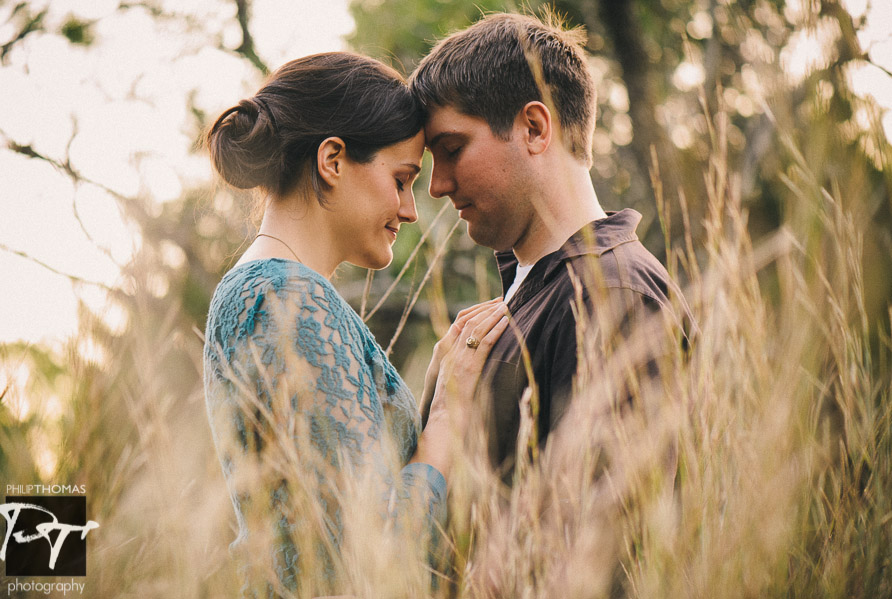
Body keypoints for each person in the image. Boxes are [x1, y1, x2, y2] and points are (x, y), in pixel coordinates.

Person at [202, 52, 507, 597]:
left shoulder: (271, 291)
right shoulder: (287, 298)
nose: (410, 209)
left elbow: (332, 503)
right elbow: (376, 548)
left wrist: (431, 387)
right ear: (333, 160)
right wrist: (447, 418)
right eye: (401, 179)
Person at [409, 13, 694, 479]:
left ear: (536, 129)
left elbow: (610, 537)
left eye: (453, 149)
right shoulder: (540, 291)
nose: (437, 186)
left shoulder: (610, 296)